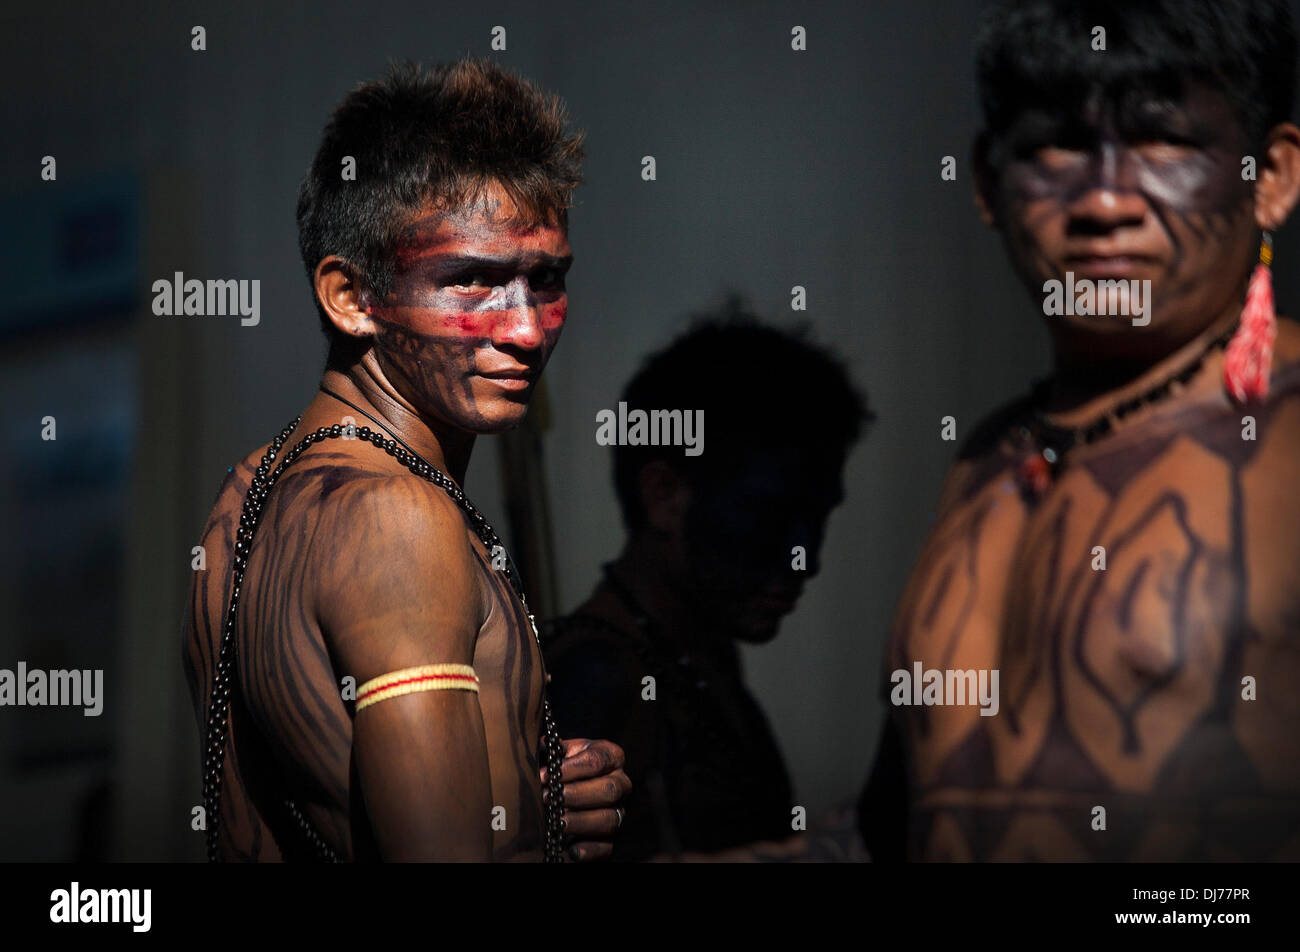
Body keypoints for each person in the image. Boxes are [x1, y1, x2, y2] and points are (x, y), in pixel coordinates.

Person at [862, 0, 1300, 861]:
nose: (1104, 199)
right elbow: (901, 836)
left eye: (1164, 141)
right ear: (988, 182)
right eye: (1056, 145)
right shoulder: (988, 461)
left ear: (1273, 177)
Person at [183, 57, 630, 862]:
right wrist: (546, 836)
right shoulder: (396, 518)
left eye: (546, 279)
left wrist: (527, 802)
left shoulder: (245, 499)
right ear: (351, 298)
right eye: (472, 282)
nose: (526, 330)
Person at [546, 306, 870, 860]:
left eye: (818, 518)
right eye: (772, 516)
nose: (806, 559)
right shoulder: (596, 680)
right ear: (665, 495)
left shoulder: (696, 659)